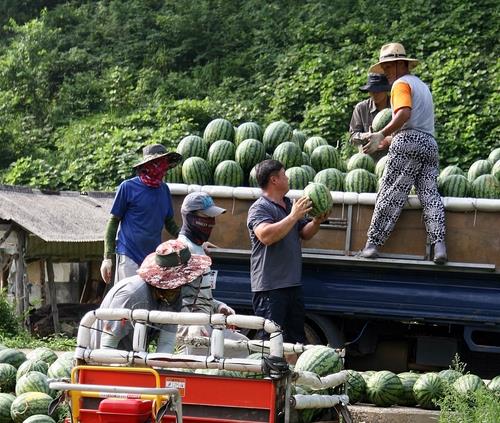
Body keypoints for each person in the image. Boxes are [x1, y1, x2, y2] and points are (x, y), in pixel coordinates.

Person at [361, 42, 447, 264]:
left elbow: (404, 115)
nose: (386, 74)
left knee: (391, 191)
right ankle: (439, 246)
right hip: (429, 145)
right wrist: (387, 140)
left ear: (400, 65)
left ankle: (372, 245)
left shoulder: (400, 84)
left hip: (408, 143)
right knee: (430, 195)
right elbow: (418, 124)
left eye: (388, 68)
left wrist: (381, 133)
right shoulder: (422, 86)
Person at [247, 159, 330, 344]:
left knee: (295, 342)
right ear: (274, 180)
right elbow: (265, 236)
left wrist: (316, 221)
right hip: (270, 288)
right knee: (272, 342)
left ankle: (289, 373)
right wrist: (293, 216)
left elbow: (304, 233)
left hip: (291, 285)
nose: (288, 178)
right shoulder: (259, 208)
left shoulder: (288, 204)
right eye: (284, 174)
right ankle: (270, 373)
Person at [92, 239, 211, 353]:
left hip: (135, 359)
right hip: (105, 360)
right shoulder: (133, 295)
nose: (184, 285)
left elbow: (166, 342)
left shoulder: (174, 295)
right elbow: (107, 346)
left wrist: (159, 368)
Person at [177, 191, 248, 355]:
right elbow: (171, 296)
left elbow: (196, 293)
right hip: (192, 330)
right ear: (190, 217)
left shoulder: (199, 249)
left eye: (212, 217)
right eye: (206, 217)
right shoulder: (181, 250)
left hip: (205, 324)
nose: (211, 222)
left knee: (244, 346)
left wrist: (218, 306)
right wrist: (192, 326)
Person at [100, 144, 182, 284]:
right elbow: (113, 221)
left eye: (163, 163)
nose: (160, 168)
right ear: (146, 165)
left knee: (147, 301)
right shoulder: (127, 187)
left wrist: (188, 240)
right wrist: (107, 258)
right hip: (128, 255)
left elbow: (170, 224)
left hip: (152, 259)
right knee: (127, 300)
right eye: (156, 163)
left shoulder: (164, 190)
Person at [349, 73, 392, 162]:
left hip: (392, 160)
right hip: (366, 160)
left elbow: (407, 133)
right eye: (371, 91)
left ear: (385, 90)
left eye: (377, 91)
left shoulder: (396, 106)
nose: (374, 94)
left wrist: (388, 141)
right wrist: (367, 136)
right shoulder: (361, 108)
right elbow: (353, 136)